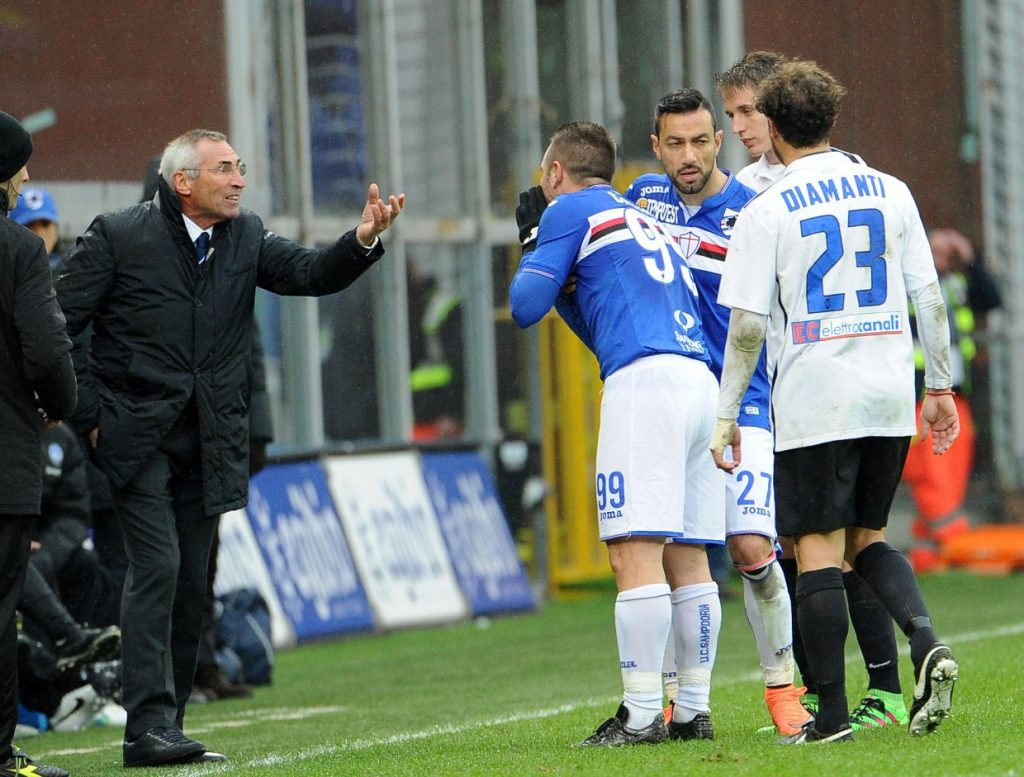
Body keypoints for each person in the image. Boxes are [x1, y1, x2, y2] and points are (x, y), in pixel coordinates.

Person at [55, 128, 403, 768]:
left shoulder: (244, 236)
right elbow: (60, 324)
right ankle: (145, 727)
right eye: (224, 169)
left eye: (239, 167)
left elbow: (309, 274)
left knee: (191, 585)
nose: (239, 179)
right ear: (182, 182)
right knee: (156, 568)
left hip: (210, 438)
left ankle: (170, 724)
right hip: (136, 439)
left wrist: (362, 239)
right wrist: (92, 416)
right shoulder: (119, 234)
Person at [711, 60, 960, 744]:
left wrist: (728, 413)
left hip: (815, 393)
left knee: (813, 549)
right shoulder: (890, 189)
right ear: (830, 119)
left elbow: (749, 326)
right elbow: (929, 298)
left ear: (776, 130)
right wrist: (938, 387)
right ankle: (925, 638)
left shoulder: (766, 209)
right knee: (869, 537)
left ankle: (827, 718)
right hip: (887, 390)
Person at [511, 120, 724, 746]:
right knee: (689, 557)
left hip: (647, 385)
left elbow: (525, 306)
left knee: (634, 551)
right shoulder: (642, 217)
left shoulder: (569, 208)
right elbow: (593, 322)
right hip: (698, 382)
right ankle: (691, 707)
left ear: (554, 173)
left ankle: (638, 714)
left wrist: (532, 242)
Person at [623, 88, 809, 737]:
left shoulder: (751, 214)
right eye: (675, 142)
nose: (689, 155)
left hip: (744, 402)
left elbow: (761, 323)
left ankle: (783, 685)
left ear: (719, 141)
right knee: (673, 550)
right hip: (674, 402)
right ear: (656, 147)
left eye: (701, 140)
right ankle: (675, 696)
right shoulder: (643, 198)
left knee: (752, 545)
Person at [0, 109, 77, 777]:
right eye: (19, 163)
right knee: (0, 611)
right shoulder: (19, 249)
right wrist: (60, 406)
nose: (26, 175)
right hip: (3, 461)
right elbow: (48, 350)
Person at [903, 227, 1001, 572]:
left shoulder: (957, 284)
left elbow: (991, 299)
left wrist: (969, 258)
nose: (941, 256)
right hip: (920, 395)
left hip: (955, 394)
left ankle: (928, 553)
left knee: (951, 473)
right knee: (932, 474)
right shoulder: (907, 284)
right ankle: (953, 542)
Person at [8, 187, 61, 272]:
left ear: (56, 229)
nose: (39, 233)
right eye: (29, 226)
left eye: (45, 224)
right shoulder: (5, 273)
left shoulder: (75, 270)